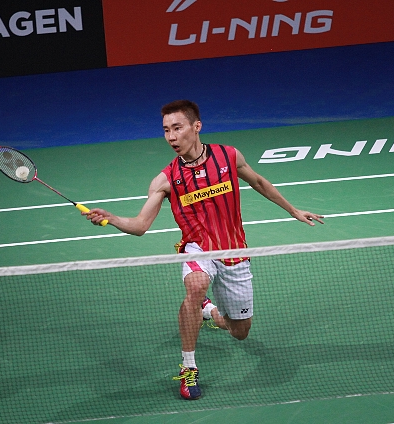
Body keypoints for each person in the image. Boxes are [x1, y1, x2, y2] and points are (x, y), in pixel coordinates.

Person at [83, 100, 323, 400]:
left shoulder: (229, 156)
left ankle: (208, 310)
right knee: (195, 286)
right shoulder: (165, 180)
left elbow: (260, 182)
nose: (171, 137)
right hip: (197, 248)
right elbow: (141, 225)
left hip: (234, 251)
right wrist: (112, 218)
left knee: (239, 332)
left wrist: (292, 210)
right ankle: (189, 367)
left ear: (196, 127)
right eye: (166, 130)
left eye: (177, 128)